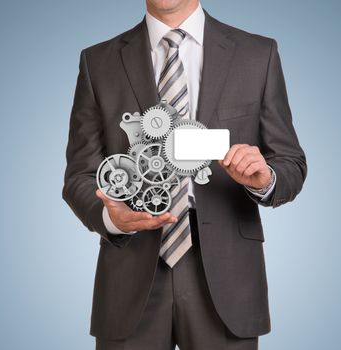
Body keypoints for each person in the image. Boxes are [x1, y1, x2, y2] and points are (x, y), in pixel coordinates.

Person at [62, 1, 307, 349]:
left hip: (227, 278)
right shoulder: (97, 62)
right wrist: (112, 218)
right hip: (129, 276)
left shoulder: (258, 54)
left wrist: (265, 178)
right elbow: (79, 175)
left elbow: (290, 163)